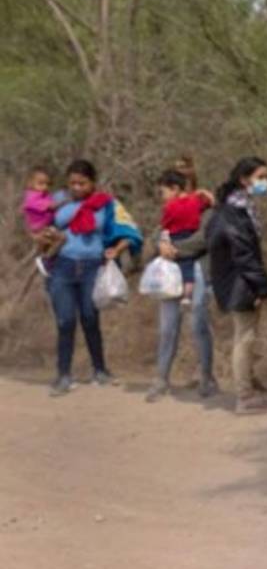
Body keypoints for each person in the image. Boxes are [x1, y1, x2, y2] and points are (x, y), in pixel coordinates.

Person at [47, 159, 129, 396]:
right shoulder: (59, 200)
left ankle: (100, 370)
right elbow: (46, 222)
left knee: (90, 318)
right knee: (65, 321)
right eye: (72, 182)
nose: (76, 187)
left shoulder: (104, 203)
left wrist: (119, 248)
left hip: (92, 266)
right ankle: (63, 374)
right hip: (63, 266)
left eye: (82, 183)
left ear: (92, 182)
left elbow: (124, 228)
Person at [206, 156, 267, 415]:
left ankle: (248, 383)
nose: (265, 182)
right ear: (244, 180)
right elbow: (244, 255)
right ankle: (244, 395)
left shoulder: (232, 210)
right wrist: (261, 286)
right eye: (260, 177)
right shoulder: (234, 214)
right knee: (244, 338)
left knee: (246, 336)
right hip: (240, 284)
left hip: (236, 283)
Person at [147, 169, 219, 402]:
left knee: (198, 322)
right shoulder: (170, 211)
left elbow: (204, 238)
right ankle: (161, 378)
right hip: (171, 272)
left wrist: (175, 249)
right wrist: (161, 245)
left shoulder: (205, 210)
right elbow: (159, 234)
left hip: (196, 269)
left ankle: (206, 376)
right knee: (167, 326)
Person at [156, 169, 214, 307]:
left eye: (163, 192)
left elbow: (164, 226)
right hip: (185, 242)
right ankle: (187, 295)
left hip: (179, 244)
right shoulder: (196, 202)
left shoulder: (169, 207)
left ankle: (184, 294)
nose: (163, 197)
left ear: (175, 188)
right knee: (187, 270)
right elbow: (209, 203)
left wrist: (170, 246)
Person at [21, 165, 65, 276]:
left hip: (46, 225)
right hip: (39, 228)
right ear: (30, 183)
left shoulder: (45, 195)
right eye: (40, 184)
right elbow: (50, 206)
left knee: (52, 242)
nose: (44, 187)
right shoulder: (32, 197)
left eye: (47, 184)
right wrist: (65, 202)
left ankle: (47, 259)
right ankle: (46, 260)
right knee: (61, 239)